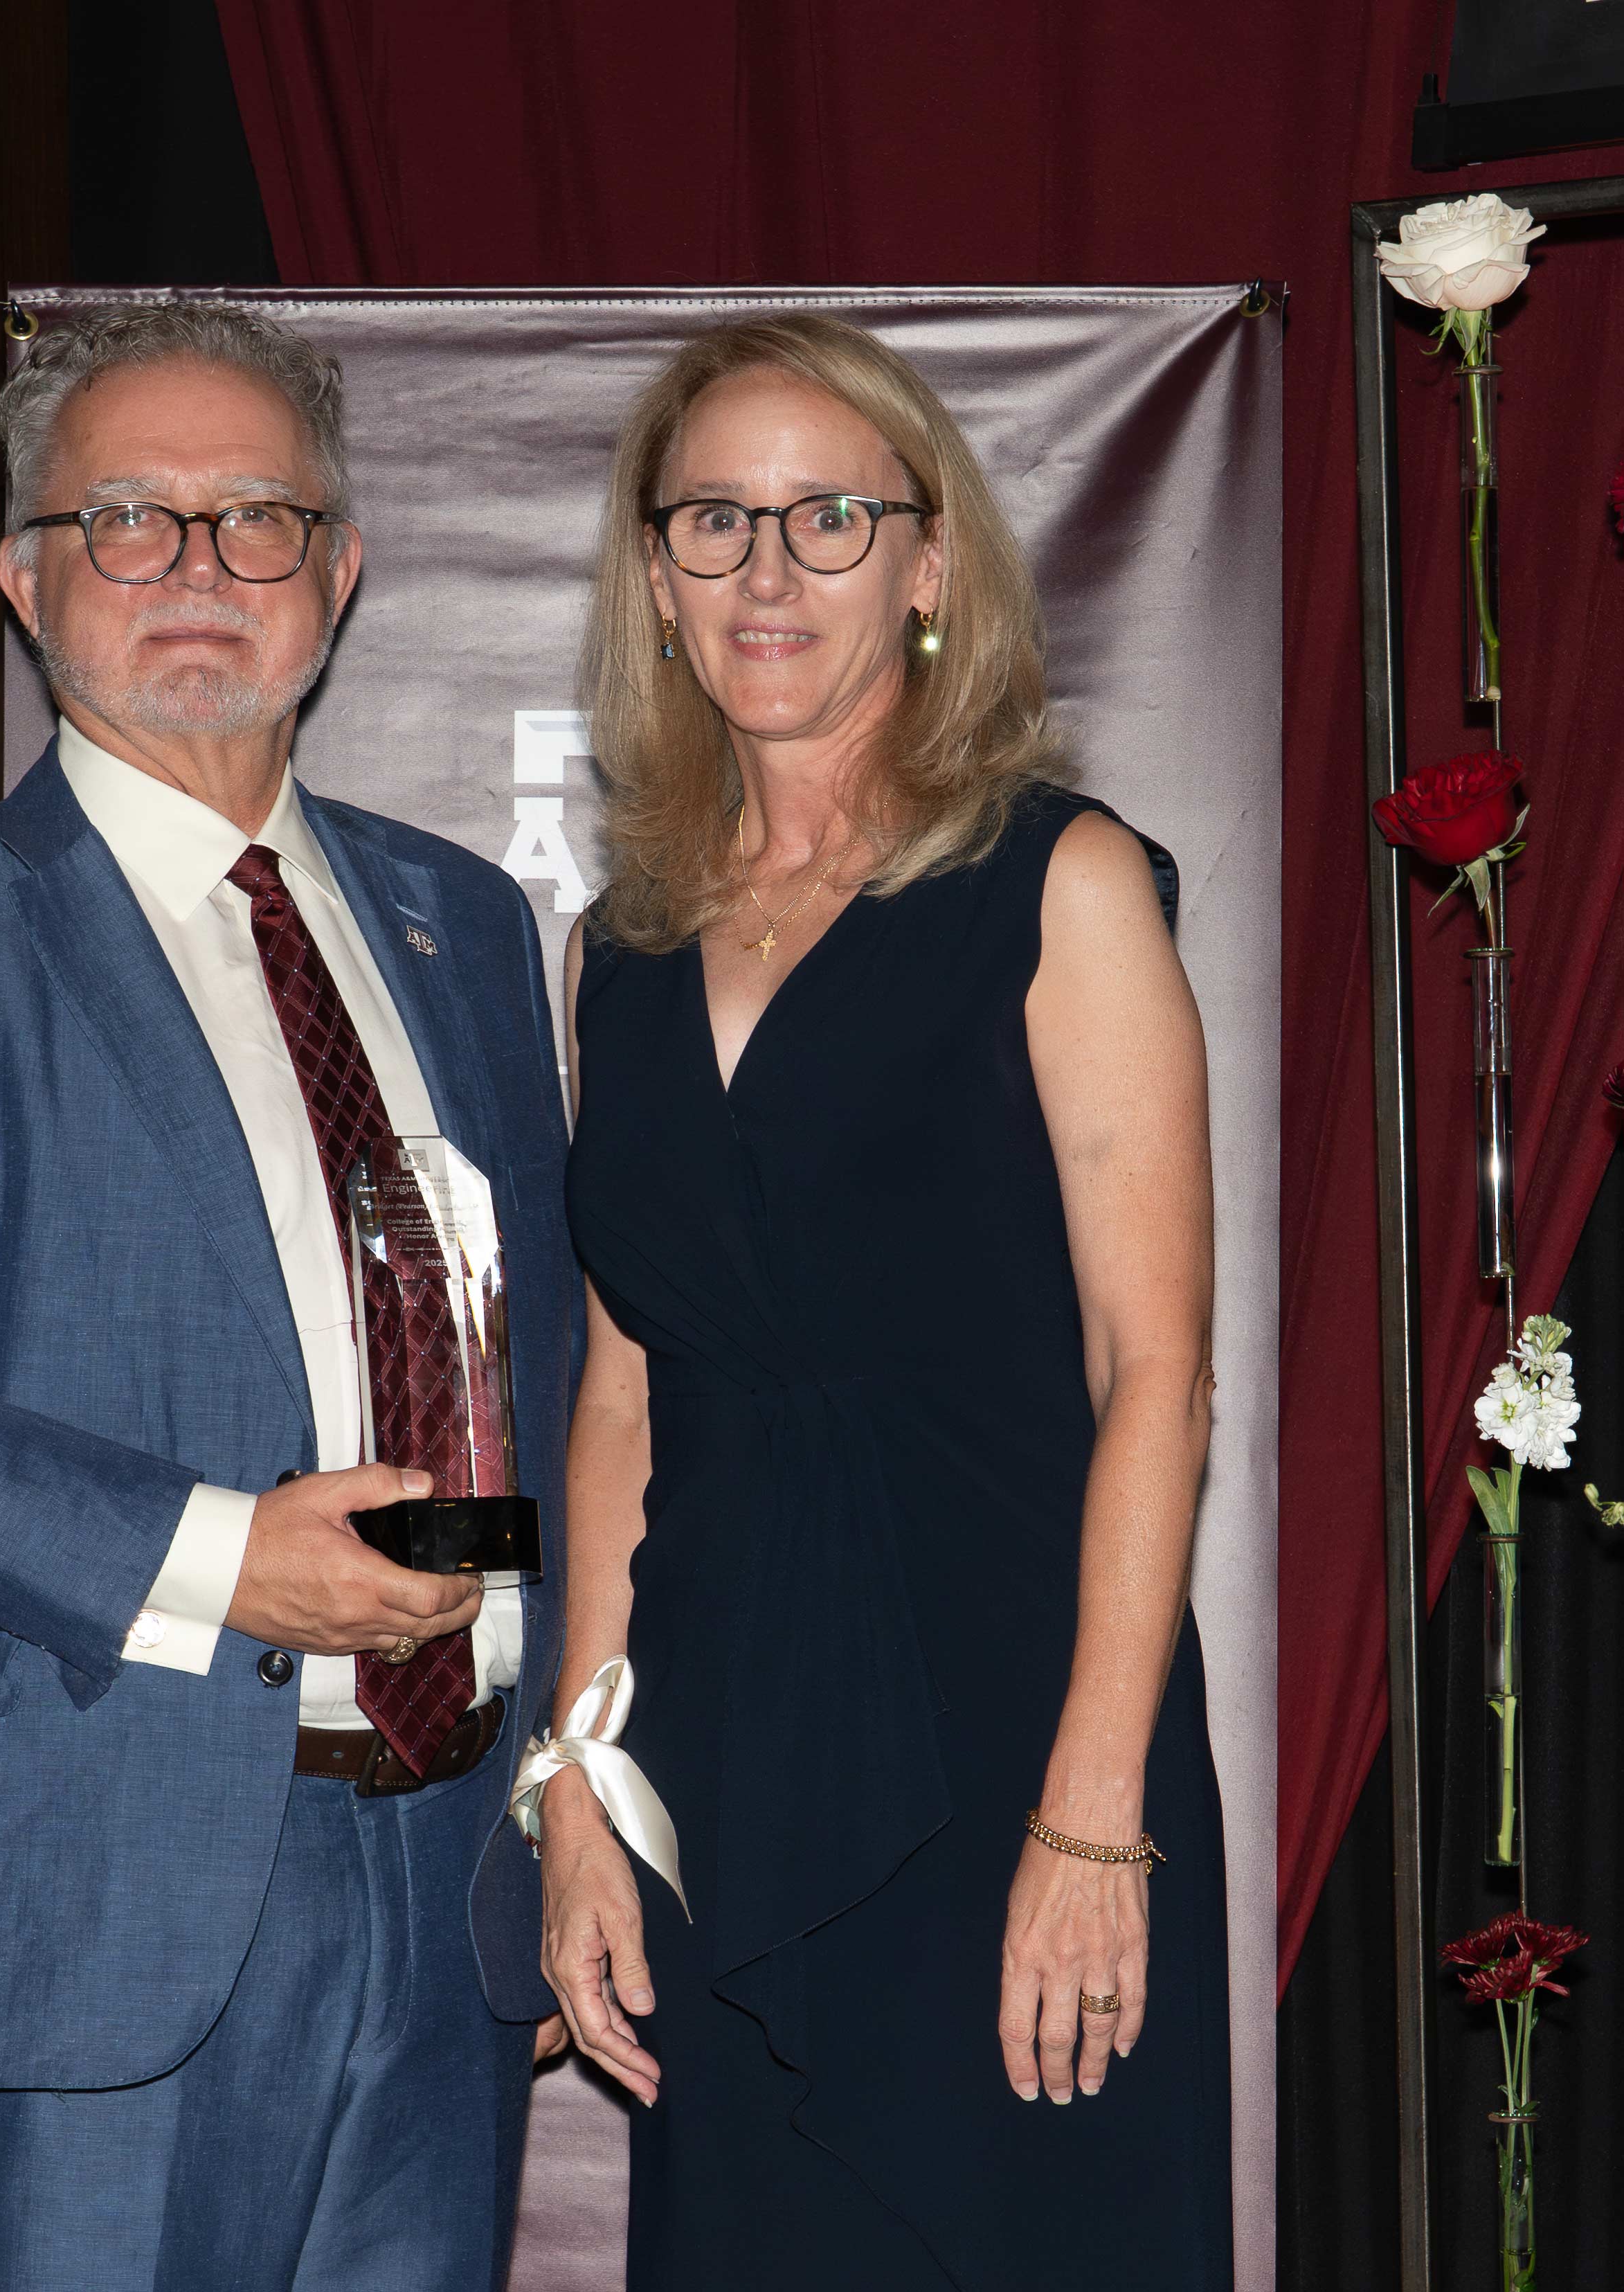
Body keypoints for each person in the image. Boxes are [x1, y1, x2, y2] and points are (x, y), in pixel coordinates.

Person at [0, 303, 577, 2292]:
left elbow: (564, 1365)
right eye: (129, 520)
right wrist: (216, 1561)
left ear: (338, 577)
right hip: (84, 1887)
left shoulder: (467, 926)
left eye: (258, 519)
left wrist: (576, 1770)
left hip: (448, 1879)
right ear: (28, 579)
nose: (198, 569)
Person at [533, 315, 1232, 2288]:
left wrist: (1096, 1811)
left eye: (830, 518)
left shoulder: (1061, 883)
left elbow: (1158, 1372)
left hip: (1014, 1731)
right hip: (727, 1745)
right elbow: (619, 1410)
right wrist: (581, 1792)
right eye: (717, 521)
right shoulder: (625, 949)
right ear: (654, 577)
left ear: (932, 566)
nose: (769, 572)